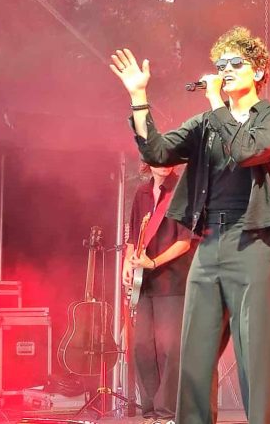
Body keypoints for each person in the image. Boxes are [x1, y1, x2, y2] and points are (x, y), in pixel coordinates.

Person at [110, 26, 270, 424]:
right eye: (221, 64)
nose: (226, 70)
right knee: (194, 354)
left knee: (256, 351)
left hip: (252, 242)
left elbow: (246, 150)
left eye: (236, 63)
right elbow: (157, 152)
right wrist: (139, 97)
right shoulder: (206, 124)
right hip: (207, 244)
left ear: (259, 71)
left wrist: (214, 102)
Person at [122, 164, 194, 424]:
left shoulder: (183, 191)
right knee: (141, 346)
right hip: (144, 283)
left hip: (172, 281)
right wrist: (127, 263)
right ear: (148, 161)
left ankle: (167, 412)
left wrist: (153, 262)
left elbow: (185, 241)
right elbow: (133, 238)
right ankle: (150, 411)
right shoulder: (141, 193)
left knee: (170, 348)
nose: (163, 164)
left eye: (168, 157)